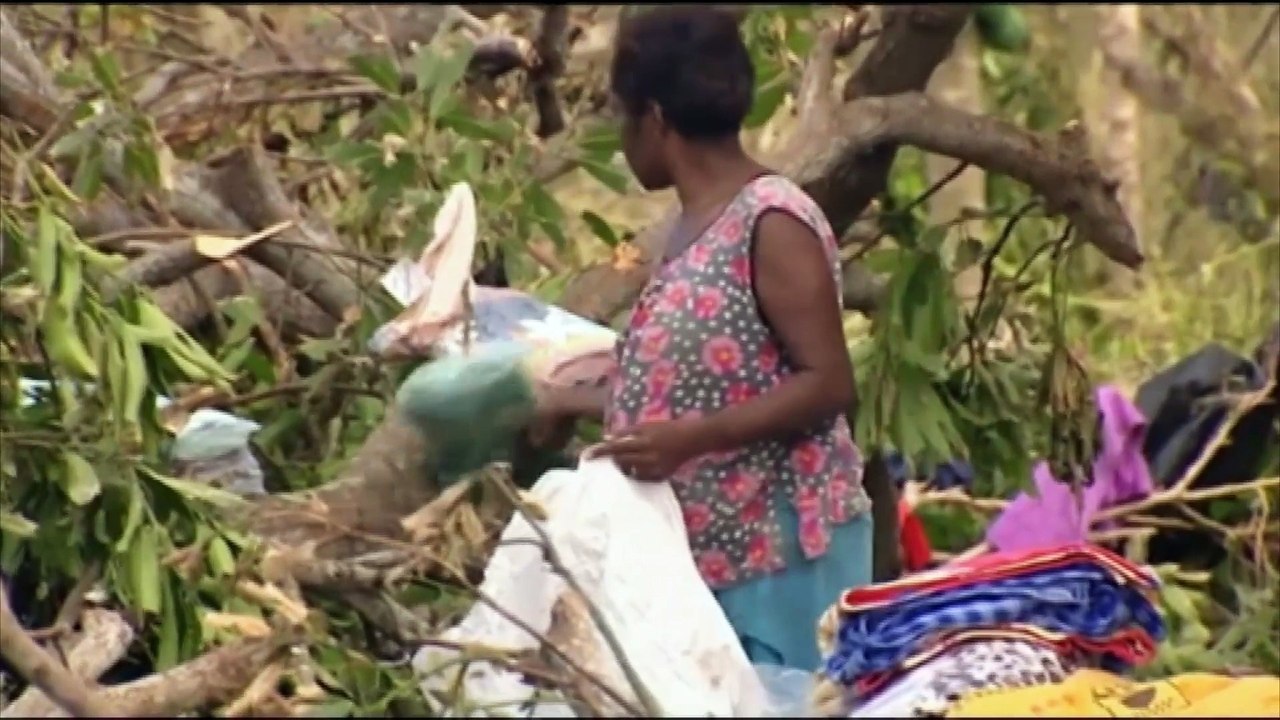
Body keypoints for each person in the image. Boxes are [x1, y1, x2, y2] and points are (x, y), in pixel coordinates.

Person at [582, 6, 874, 672]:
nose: (623, 145)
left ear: (655, 119)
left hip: (783, 560)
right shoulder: (690, 226)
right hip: (715, 560)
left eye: (623, 120)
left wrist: (690, 439)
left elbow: (829, 382)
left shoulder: (771, 220)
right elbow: (707, 373)